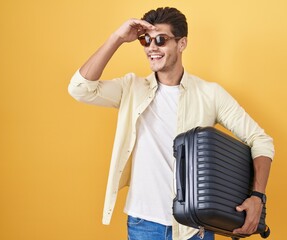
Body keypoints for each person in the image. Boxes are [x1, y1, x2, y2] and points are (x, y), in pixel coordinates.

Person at [68, 7, 274, 240]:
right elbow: (79, 89)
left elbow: (261, 140)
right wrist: (116, 38)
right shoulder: (131, 89)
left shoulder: (210, 94)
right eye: (145, 41)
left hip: (194, 228)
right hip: (143, 224)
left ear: (182, 43)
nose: (152, 47)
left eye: (161, 40)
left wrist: (257, 196)